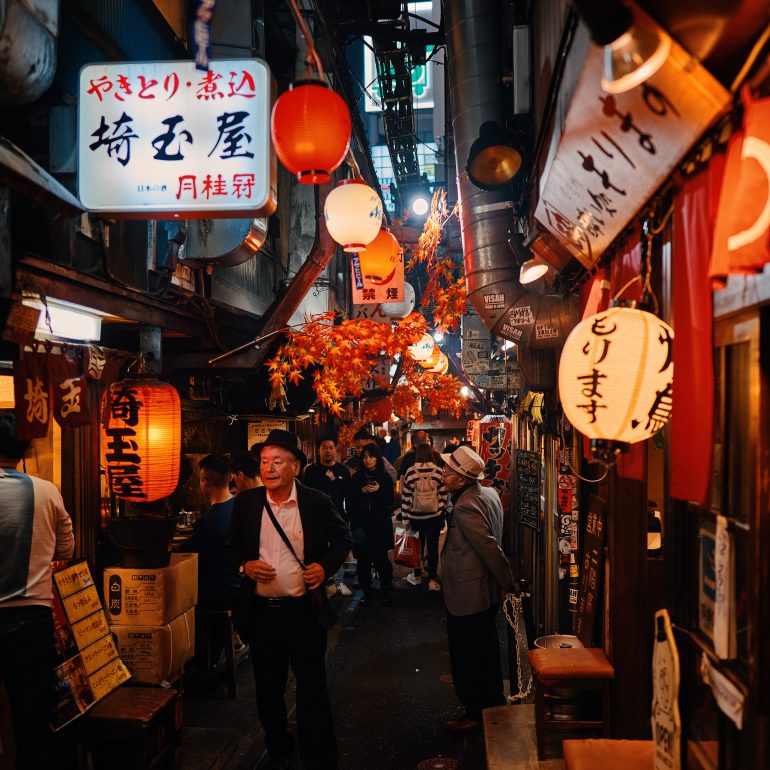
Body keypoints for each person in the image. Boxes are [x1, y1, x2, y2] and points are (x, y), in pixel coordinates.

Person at [228, 429, 352, 770]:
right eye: (265, 462)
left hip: (303, 614)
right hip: (262, 615)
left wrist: (323, 568)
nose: (268, 468)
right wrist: (244, 565)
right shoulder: (247, 503)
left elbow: (342, 539)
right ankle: (279, 749)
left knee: (312, 687)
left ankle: (320, 757)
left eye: (277, 461)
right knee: (268, 690)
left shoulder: (315, 501)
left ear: (295, 467)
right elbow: (233, 545)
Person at [0, 412, 74, 769]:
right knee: (32, 721)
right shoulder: (46, 490)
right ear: (27, 447)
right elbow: (65, 550)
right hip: (32, 618)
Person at [439, 445, 515, 734]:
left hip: (469, 592)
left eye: (448, 471)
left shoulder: (464, 505)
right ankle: (491, 703)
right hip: (482, 589)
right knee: (486, 651)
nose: (443, 475)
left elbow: (488, 546)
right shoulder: (489, 493)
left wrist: (507, 582)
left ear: (461, 479)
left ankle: (475, 712)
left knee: (468, 655)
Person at [187, 453, 241, 688]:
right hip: (241, 587)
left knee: (188, 603)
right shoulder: (242, 509)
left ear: (204, 483)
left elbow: (196, 562)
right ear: (230, 479)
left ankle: (201, 668)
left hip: (220, 593)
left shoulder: (206, 523)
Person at [302, 437, 353, 596]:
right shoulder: (311, 471)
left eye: (331, 447)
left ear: (335, 450)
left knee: (339, 550)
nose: (328, 450)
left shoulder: (343, 471)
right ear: (319, 450)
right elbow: (306, 493)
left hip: (338, 517)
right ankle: (326, 581)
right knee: (319, 549)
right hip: (315, 518)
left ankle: (340, 582)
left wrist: (348, 517)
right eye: (325, 447)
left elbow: (348, 496)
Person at [347, 442, 395, 606]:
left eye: (371, 456)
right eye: (365, 457)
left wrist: (379, 490)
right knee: (363, 559)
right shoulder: (357, 478)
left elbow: (391, 500)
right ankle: (366, 592)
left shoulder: (384, 477)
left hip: (379, 525)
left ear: (377, 458)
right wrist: (360, 492)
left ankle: (386, 587)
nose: (368, 460)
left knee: (381, 557)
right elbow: (350, 501)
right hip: (361, 525)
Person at [401, 444, 448, 591]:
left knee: (417, 546)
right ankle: (432, 579)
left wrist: (405, 519)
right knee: (433, 547)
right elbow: (444, 496)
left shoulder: (410, 472)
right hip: (434, 517)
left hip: (415, 517)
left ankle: (416, 575)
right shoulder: (438, 471)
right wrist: (439, 510)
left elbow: (406, 497)